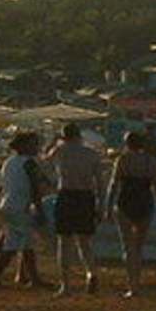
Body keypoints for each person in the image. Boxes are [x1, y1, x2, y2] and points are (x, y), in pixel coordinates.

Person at [0, 131, 51, 289]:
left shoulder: (9, 162)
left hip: (7, 204)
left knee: (22, 243)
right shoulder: (29, 163)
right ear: (24, 146)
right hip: (20, 206)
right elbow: (35, 188)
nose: (36, 147)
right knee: (15, 245)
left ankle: (31, 278)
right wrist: (40, 210)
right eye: (34, 144)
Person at [45, 122, 105, 293]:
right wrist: (101, 205)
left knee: (64, 242)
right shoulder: (91, 154)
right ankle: (91, 272)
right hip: (86, 196)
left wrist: (53, 142)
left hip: (67, 194)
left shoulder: (60, 151)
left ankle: (66, 284)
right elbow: (100, 183)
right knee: (85, 241)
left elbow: (44, 161)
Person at [108, 130, 156, 299]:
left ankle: (132, 286)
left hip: (126, 201)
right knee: (139, 247)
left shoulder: (122, 160)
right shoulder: (150, 161)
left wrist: (108, 206)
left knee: (128, 246)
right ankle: (137, 283)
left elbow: (114, 184)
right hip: (144, 202)